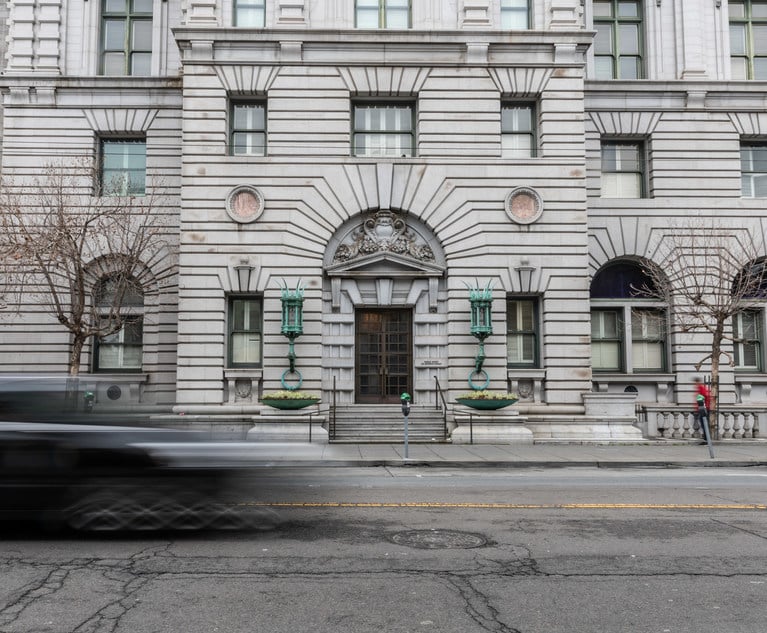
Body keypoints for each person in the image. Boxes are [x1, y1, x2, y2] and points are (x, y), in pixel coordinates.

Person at [693, 377, 711, 442]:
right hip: (703, 408)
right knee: (703, 424)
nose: (695, 384)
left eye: (695, 383)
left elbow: (704, 397)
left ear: (697, 382)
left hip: (703, 409)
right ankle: (706, 438)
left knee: (704, 424)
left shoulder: (701, 388)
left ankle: (707, 439)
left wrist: (700, 407)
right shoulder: (700, 388)